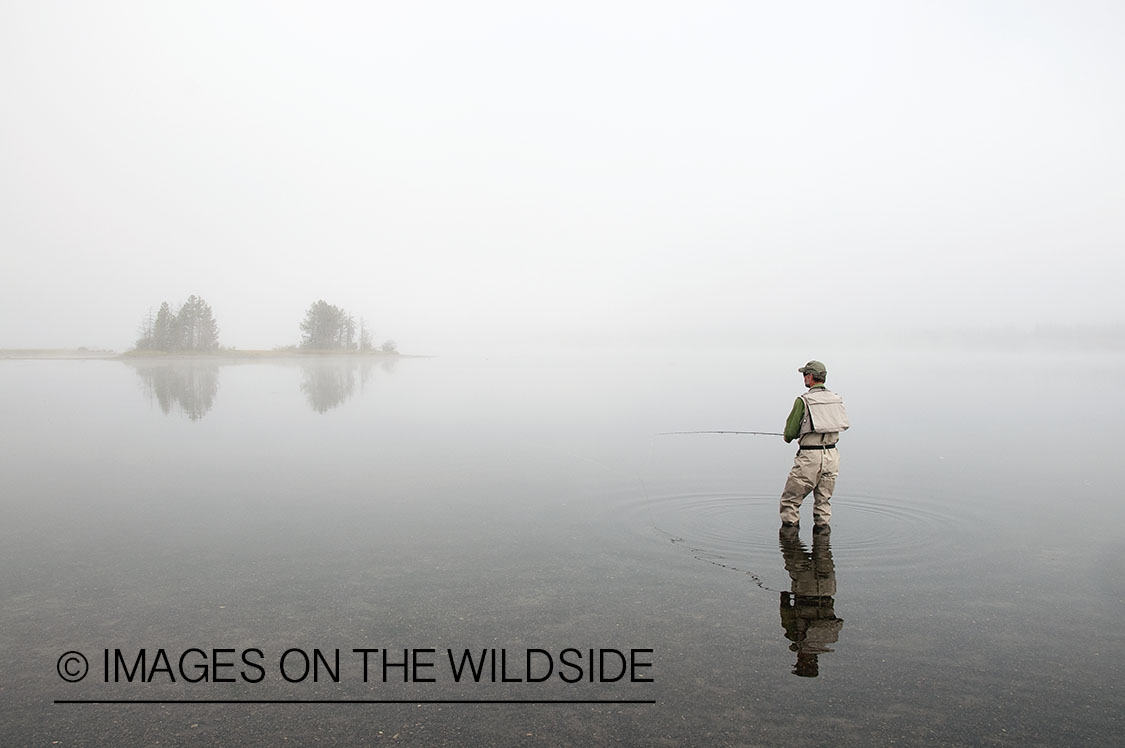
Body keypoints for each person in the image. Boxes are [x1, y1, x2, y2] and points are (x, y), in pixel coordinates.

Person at [778, 360, 849, 530]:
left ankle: (790, 546)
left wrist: (788, 437)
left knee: (790, 501)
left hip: (810, 457)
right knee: (823, 502)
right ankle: (823, 548)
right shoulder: (836, 399)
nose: (804, 378)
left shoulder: (803, 400)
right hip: (832, 456)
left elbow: (790, 433)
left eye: (804, 375)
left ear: (810, 377)